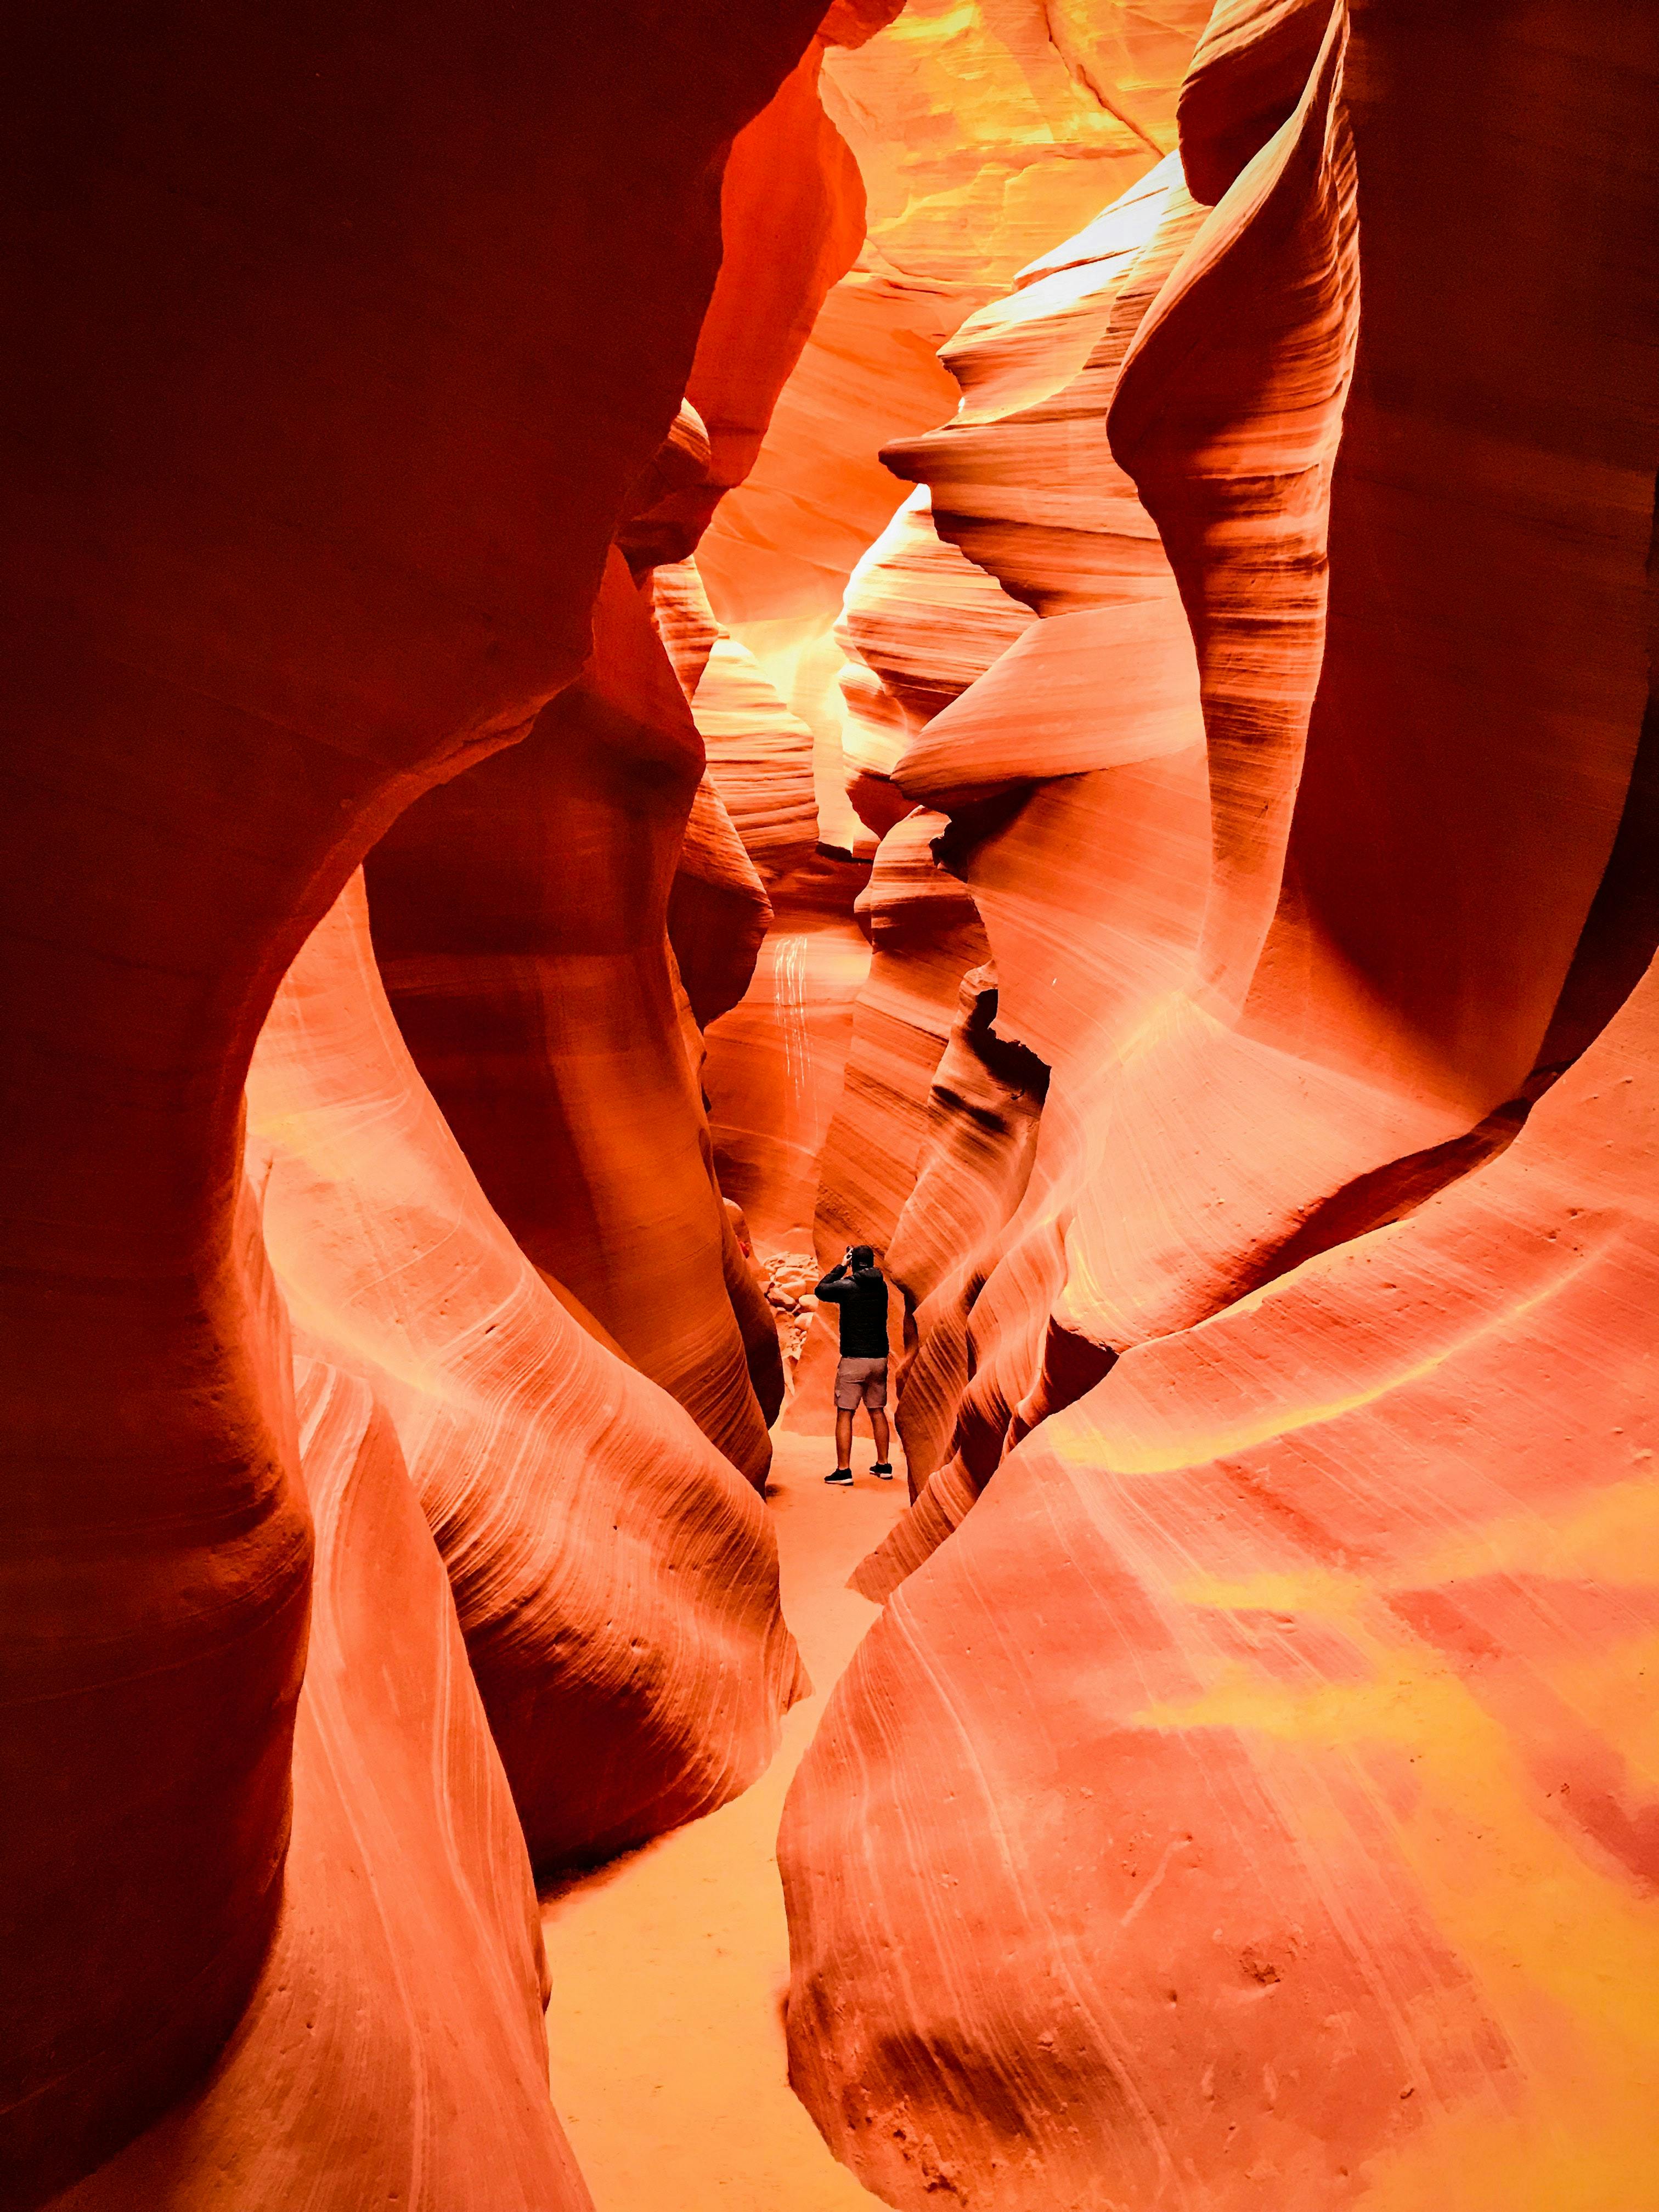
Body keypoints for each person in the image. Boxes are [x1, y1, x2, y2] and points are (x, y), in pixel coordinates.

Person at [814, 1244, 893, 1485]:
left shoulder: (848, 1287)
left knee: (845, 1414)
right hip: (879, 1359)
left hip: (854, 1360)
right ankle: (883, 1465)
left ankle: (844, 1470)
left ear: (854, 1262)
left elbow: (821, 1290)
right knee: (877, 1411)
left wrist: (841, 1265)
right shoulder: (882, 1287)